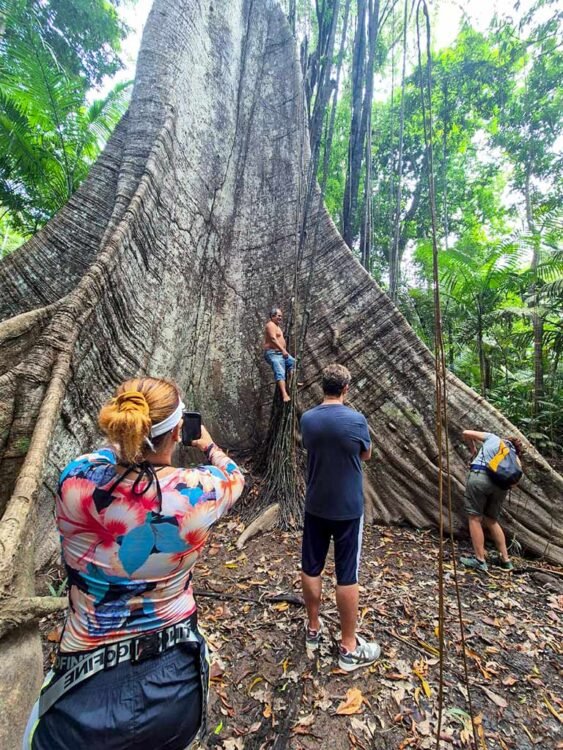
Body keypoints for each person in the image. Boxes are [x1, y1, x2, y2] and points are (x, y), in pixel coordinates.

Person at [24, 377, 245, 750]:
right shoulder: (201, 490)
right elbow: (235, 476)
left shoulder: (74, 481)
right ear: (178, 432)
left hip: (82, 694)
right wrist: (207, 444)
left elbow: (109, 457)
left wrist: (129, 441)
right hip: (175, 687)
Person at [299, 364, 381, 672]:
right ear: (346, 389)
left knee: (312, 566)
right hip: (348, 508)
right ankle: (348, 647)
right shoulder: (356, 420)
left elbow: (310, 446)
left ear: (323, 387)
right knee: (347, 574)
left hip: (316, 505)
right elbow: (366, 454)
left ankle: (313, 628)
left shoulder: (307, 419)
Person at [460, 430, 523, 573]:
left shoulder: (493, 438)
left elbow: (465, 433)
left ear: (505, 438)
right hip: (501, 488)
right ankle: (506, 561)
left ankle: (480, 560)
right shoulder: (515, 458)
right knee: (492, 520)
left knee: (475, 518)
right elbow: (515, 482)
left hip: (479, 476)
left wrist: (473, 449)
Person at [263, 307, 296, 402]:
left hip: (280, 352)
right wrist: (283, 350)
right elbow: (273, 339)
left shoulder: (277, 326)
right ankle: (284, 394)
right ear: (273, 316)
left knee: (292, 362)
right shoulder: (270, 325)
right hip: (273, 353)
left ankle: (292, 382)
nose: (280, 318)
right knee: (280, 372)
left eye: (281, 316)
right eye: (278, 316)